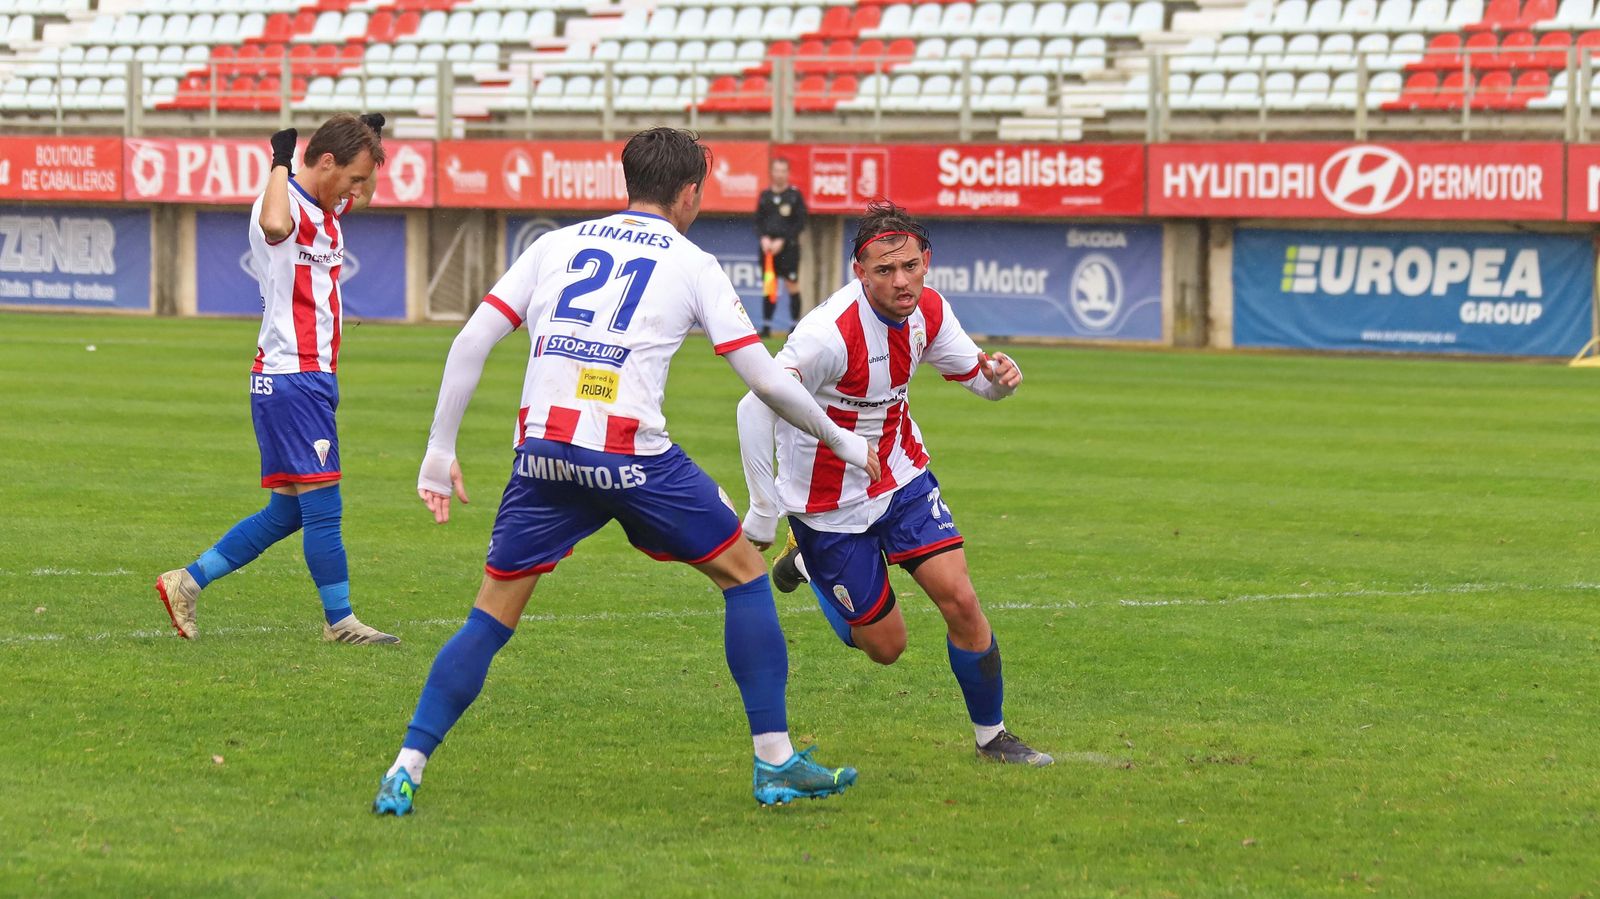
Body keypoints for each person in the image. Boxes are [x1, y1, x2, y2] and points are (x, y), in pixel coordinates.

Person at [372, 128, 880, 816]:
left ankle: (406, 766)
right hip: (630, 456)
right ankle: (773, 761)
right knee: (746, 574)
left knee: (490, 615)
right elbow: (763, 377)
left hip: (543, 453)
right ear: (691, 192)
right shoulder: (693, 262)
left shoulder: (553, 244)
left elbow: (472, 339)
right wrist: (840, 437)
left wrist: (439, 449)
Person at [736, 201, 1054, 768]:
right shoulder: (828, 335)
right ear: (859, 271)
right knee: (887, 648)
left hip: (901, 475)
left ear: (925, 261)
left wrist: (1001, 379)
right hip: (827, 500)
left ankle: (993, 737)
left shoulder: (928, 309)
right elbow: (753, 404)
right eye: (885, 270)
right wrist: (763, 507)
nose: (901, 280)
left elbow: (977, 379)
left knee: (961, 599)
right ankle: (808, 564)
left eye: (909, 265)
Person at [154, 113, 399, 646]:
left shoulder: (330, 206)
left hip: (312, 376)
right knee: (324, 506)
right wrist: (280, 161)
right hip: (292, 373)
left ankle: (186, 581)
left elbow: (366, 194)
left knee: (288, 511)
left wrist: (370, 141)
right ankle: (342, 621)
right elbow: (272, 228)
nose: (359, 192)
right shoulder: (280, 200)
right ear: (326, 163)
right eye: (354, 177)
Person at [754, 157, 806, 338]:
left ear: (788, 173)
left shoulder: (794, 195)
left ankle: (794, 326)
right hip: (768, 250)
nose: (780, 174)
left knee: (792, 284)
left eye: (783, 171)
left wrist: (783, 240)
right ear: (772, 172)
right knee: (769, 286)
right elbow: (758, 222)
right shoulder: (765, 196)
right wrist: (764, 238)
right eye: (776, 170)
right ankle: (767, 326)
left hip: (789, 249)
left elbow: (800, 223)